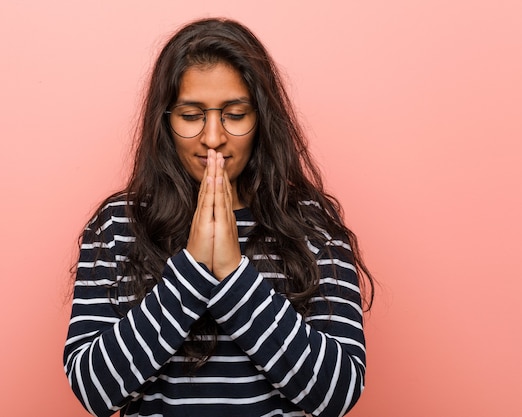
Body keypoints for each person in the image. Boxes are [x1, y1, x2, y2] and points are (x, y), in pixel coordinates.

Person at [63, 17, 374, 417]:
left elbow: (338, 394)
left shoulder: (314, 225)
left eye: (235, 114)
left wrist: (232, 272)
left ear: (261, 119)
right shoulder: (118, 224)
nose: (213, 137)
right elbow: (93, 391)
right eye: (191, 116)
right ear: (165, 121)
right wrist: (192, 269)